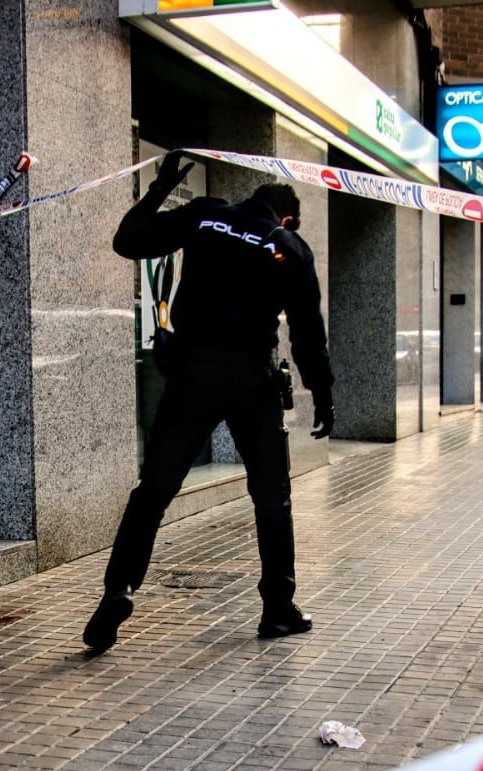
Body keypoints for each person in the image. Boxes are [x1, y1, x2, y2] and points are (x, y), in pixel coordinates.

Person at [82, 151, 335, 653]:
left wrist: (157, 191)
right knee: (271, 497)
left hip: (193, 374)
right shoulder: (288, 246)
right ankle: (277, 609)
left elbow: (127, 241)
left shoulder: (206, 216)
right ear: (286, 216)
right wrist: (323, 393)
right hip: (251, 379)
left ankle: (118, 589)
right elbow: (308, 333)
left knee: (153, 490)